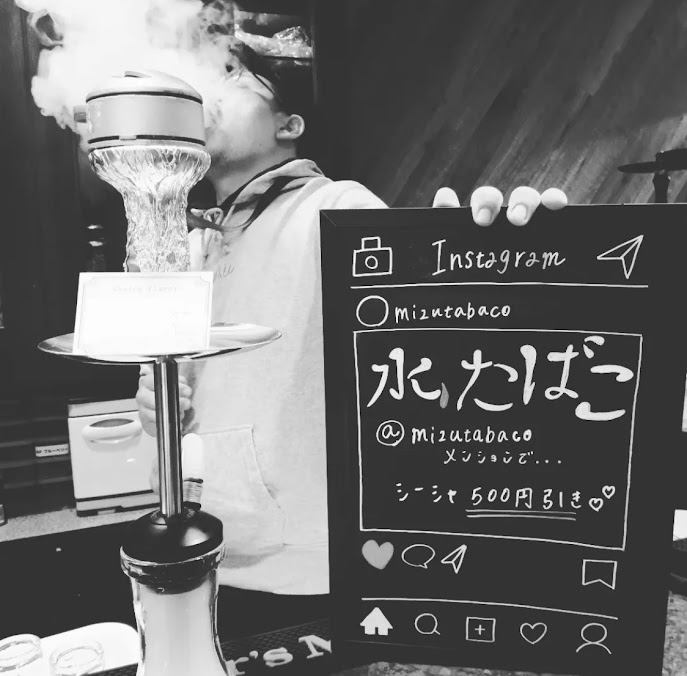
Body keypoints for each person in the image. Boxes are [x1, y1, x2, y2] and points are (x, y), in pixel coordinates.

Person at [135, 39, 567, 638]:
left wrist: (509, 257)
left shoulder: (338, 207)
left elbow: (438, 338)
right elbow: (166, 392)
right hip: (197, 548)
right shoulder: (191, 244)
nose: (210, 89)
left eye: (235, 77)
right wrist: (153, 403)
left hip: (305, 570)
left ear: (290, 126)